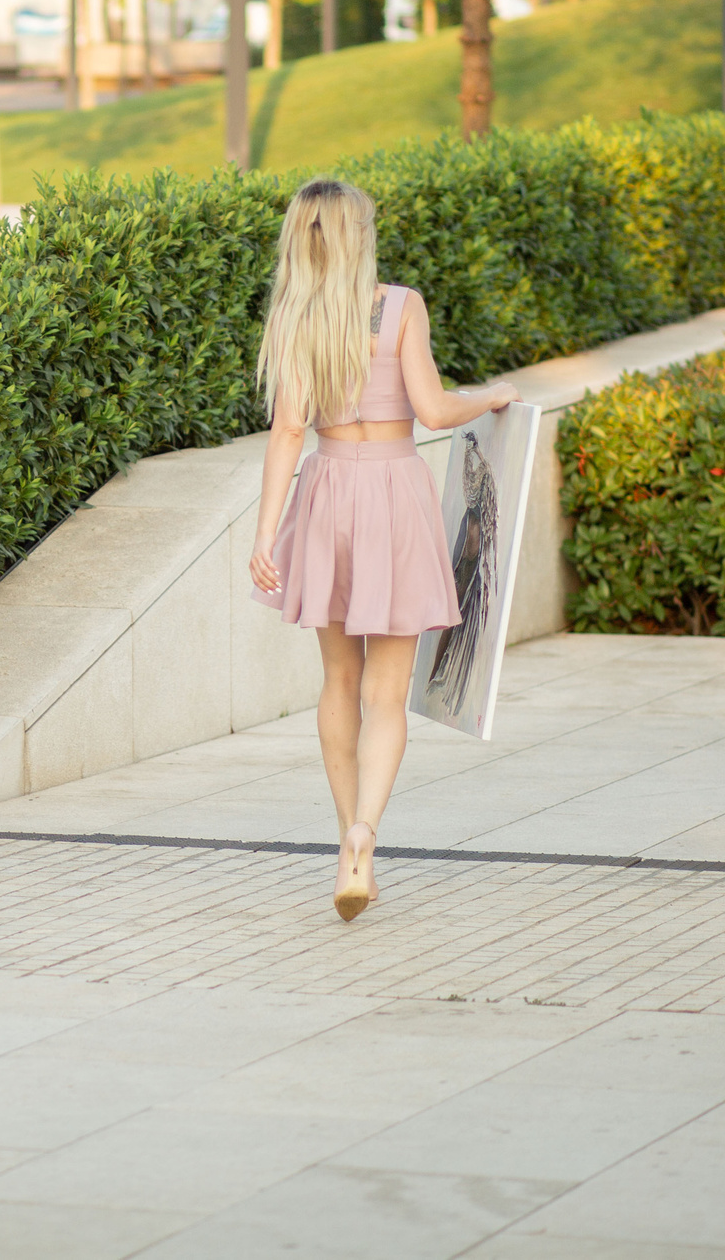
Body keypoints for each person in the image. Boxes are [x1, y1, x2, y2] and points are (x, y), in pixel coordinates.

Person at [248, 179, 518, 922]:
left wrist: (265, 534)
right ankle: (366, 833)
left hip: (328, 493)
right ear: (359, 234)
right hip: (395, 493)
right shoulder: (401, 305)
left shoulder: (297, 315)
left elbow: (290, 431)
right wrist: (487, 396)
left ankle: (345, 839)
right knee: (384, 692)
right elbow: (433, 410)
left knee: (339, 678)